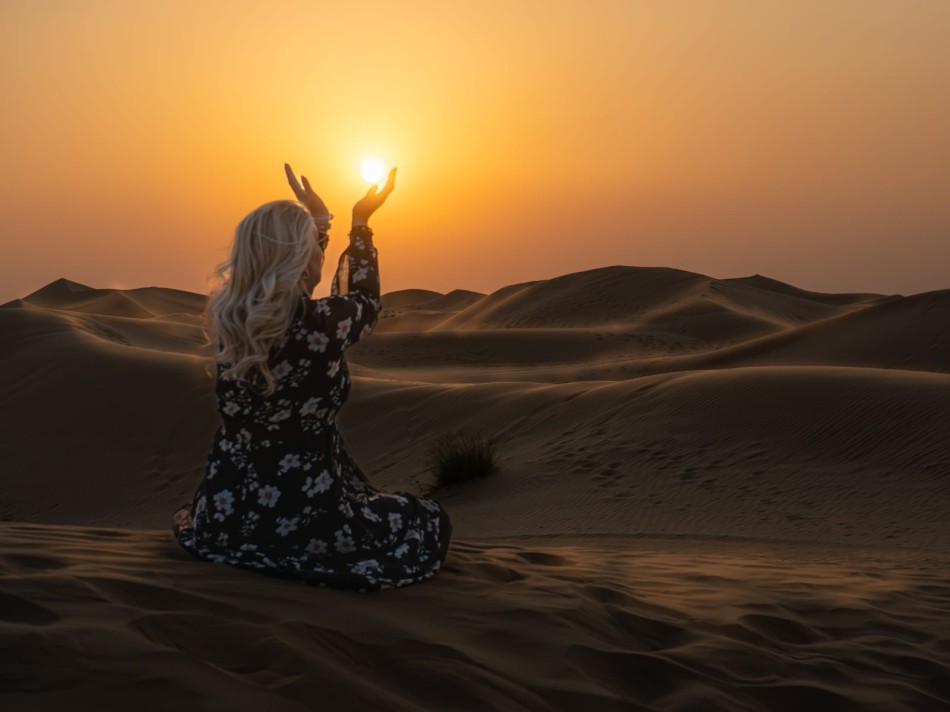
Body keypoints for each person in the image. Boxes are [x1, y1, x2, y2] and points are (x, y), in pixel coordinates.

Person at [171, 163, 452, 592]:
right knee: (425, 519)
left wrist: (318, 224)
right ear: (302, 258)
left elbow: (312, 285)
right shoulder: (322, 323)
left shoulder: (231, 320)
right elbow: (362, 300)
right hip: (306, 516)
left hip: (223, 515)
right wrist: (360, 225)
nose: (321, 254)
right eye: (314, 248)